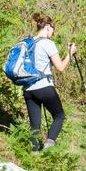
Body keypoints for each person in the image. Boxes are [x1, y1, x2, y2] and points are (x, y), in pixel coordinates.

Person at [21, 13, 77, 150]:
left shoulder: (27, 42)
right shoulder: (47, 43)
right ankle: (49, 145)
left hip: (28, 88)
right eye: (53, 28)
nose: (53, 31)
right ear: (47, 27)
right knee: (59, 116)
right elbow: (61, 67)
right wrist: (70, 53)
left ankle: (34, 154)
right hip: (44, 87)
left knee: (35, 125)